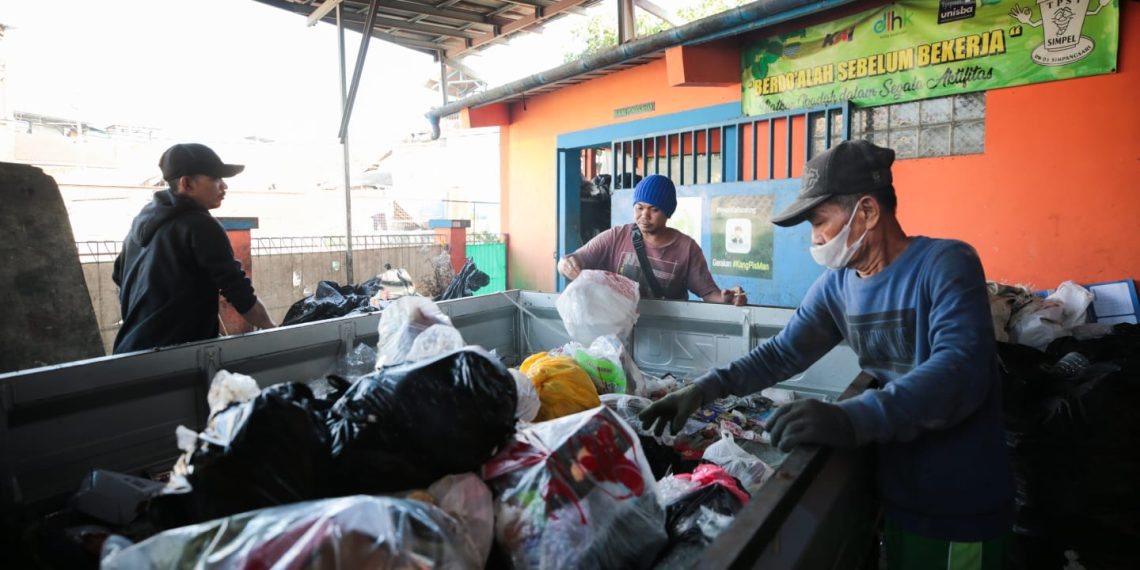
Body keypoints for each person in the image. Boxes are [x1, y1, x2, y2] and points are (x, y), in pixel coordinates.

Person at [639, 140, 1012, 569]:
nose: (815, 239)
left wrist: (848, 417)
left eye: (820, 221)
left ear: (868, 212)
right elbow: (780, 354)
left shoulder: (946, 264)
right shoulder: (839, 286)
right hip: (898, 492)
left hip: (960, 502)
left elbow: (958, 372)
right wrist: (706, 388)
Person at [112, 143, 276, 353]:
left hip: (129, 352)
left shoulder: (143, 220)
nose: (224, 186)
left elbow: (118, 275)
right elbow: (238, 290)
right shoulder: (200, 225)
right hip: (172, 358)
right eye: (215, 178)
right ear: (186, 184)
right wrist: (272, 330)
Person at [558, 174, 747, 305]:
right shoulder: (616, 237)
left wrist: (726, 298)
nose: (644, 216)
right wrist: (566, 264)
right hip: (620, 329)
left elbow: (709, 293)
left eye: (654, 210)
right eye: (639, 208)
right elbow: (573, 259)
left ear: (668, 212)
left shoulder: (686, 248)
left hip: (667, 333)